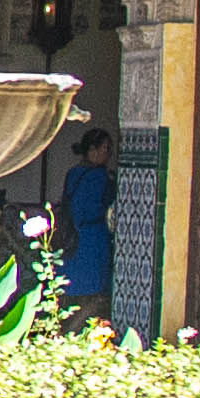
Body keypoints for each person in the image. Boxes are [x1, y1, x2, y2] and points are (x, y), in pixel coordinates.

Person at [53, 138, 120, 323]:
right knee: (95, 293)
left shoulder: (73, 173)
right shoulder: (99, 177)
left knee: (70, 293)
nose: (109, 154)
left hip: (72, 238)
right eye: (106, 148)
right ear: (92, 149)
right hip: (92, 241)